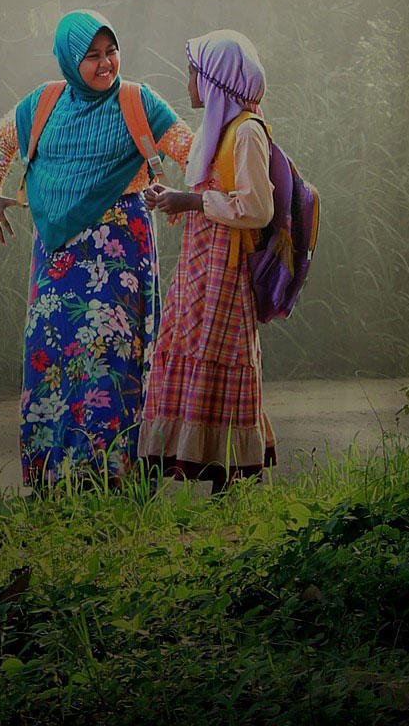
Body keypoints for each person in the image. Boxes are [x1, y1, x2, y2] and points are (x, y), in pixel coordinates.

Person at [0, 10, 192, 490]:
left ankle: (114, 478)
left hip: (119, 257)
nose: (105, 64)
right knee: (50, 357)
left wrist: (200, 192)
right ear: (70, 62)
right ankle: (53, 477)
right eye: (91, 56)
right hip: (56, 258)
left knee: (112, 358)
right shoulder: (44, 103)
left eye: (111, 51)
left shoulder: (139, 102)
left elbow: (187, 148)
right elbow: (1, 136)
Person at [140, 30, 277, 494]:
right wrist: (175, 200)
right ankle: (166, 464)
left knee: (222, 356)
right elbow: (207, 195)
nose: (189, 81)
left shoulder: (247, 134)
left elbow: (258, 208)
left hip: (227, 271)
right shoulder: (215, 132)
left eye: (195, 73)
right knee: (182, 347)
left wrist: (191, 202)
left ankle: (230, 474)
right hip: (200, 266)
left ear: (216, 80)